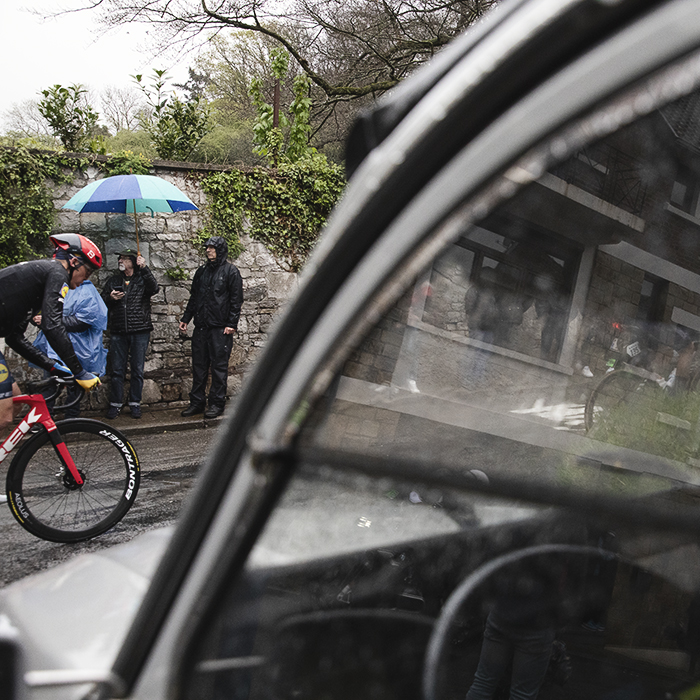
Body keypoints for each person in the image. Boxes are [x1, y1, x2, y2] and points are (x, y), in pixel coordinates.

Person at [0, 233, 102, 434]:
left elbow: (15, 338)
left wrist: (54, 368)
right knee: (4, 415)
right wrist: (79, 371)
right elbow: (52, 325)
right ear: (74, 261)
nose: (84, 281)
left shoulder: (39, 280)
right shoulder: (57, 273)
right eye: (87, 273)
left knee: (15, 402)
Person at [178, 237, 243, 419]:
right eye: (207, 247)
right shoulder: (201, 272)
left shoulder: (231, 271)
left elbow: (236, 300)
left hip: (220, 329)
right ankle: (197, 402)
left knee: (218, 367)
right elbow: (194, 298)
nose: (208, 250)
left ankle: (216, 403)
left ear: (220, 249)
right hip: (201, 327)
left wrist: (232, 324)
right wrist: (186, 318)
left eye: (212, 248)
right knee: (198, 366)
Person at [33, 277, 108, 418]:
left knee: (75, 384)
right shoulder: (55, 287)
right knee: (49, 383)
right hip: (53, 345)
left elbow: (83, 321)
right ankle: (44, 418)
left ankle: (71, 419)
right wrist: (38, 319)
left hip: (78, 347)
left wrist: (50, 320)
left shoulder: (86, 290)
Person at [101, 249, 160, 419]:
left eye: (125, 259)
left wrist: (145, 268)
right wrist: (111, 298)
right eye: (120, 258)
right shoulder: (113, 280)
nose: (120, 260)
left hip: (139, 330)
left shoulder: (142, 278)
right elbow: (102, 300)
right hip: (119, 330)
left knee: (137, 370)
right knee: (117, 370)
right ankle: (115, 404)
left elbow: (154, 288)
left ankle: (135, 403)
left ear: (133, 262)